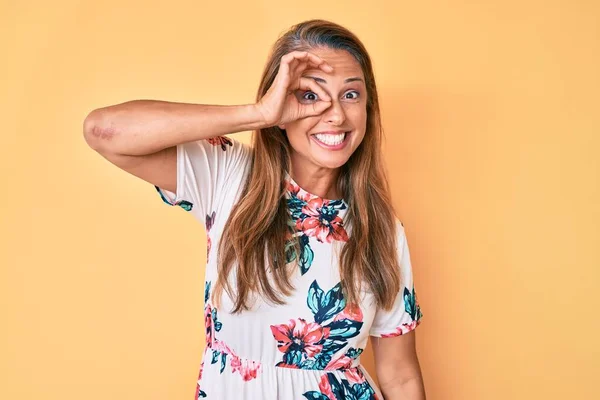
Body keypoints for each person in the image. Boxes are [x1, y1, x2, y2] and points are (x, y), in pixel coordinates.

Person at [84, 19, 425, 400]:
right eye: (310, 95)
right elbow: (103, 131)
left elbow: (400, 374)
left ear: (368, 109)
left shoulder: (381, 228)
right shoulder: (228, 176)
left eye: (351, 95)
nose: (336, 115)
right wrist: (259, 114)